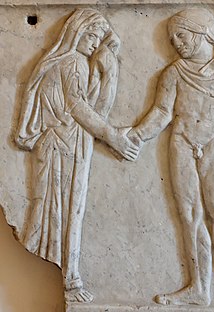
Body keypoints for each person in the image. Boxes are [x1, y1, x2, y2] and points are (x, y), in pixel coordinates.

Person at [127, 9, 214, 308]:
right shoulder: (173, 73)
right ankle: (198, 288)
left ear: (202, 31)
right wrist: (136, 135)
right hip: (181, 145)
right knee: (190, 218)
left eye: (181, 35)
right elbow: (162, 113)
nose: (176, 42)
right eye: (172, 38)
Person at [15, 9, 139, 303]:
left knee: (57, 208)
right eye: (93, 36)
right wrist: (112, 138)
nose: (95, 44)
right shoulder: (73, 62)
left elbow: (95, 110)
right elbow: (78, 108)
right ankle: (70, 277)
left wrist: (109, 71)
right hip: (62, 146)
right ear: (76, 31)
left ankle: (67, 271)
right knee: (67, 208)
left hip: (66, 143)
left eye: (100, 39)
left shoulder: (73, 62)